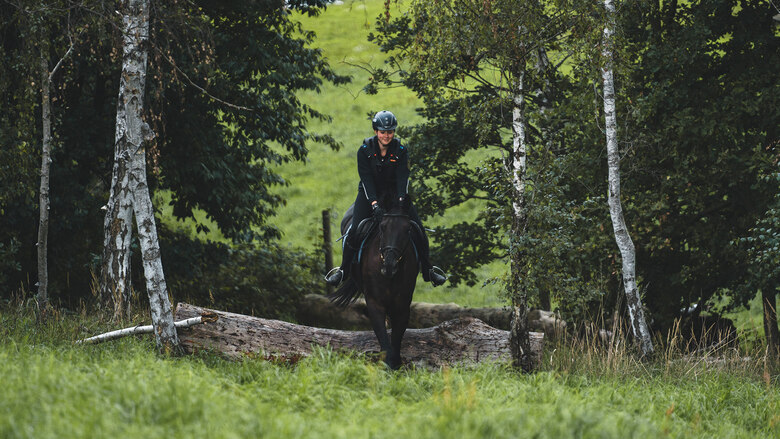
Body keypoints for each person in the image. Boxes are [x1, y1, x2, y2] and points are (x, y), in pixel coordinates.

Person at [325, 110, 447, 287]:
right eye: (383, 132)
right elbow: (366, 180)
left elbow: (402, 179)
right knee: (353, 231)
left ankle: (429, 271)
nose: (386, 135)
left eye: (390, 132)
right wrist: (374, 204)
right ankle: (343, 271)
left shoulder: (401, 151)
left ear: (394, 132)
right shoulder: (364, 151)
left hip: (395, 196)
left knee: (419, 229)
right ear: (376, 132)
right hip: (369, 195)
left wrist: (400, 202)